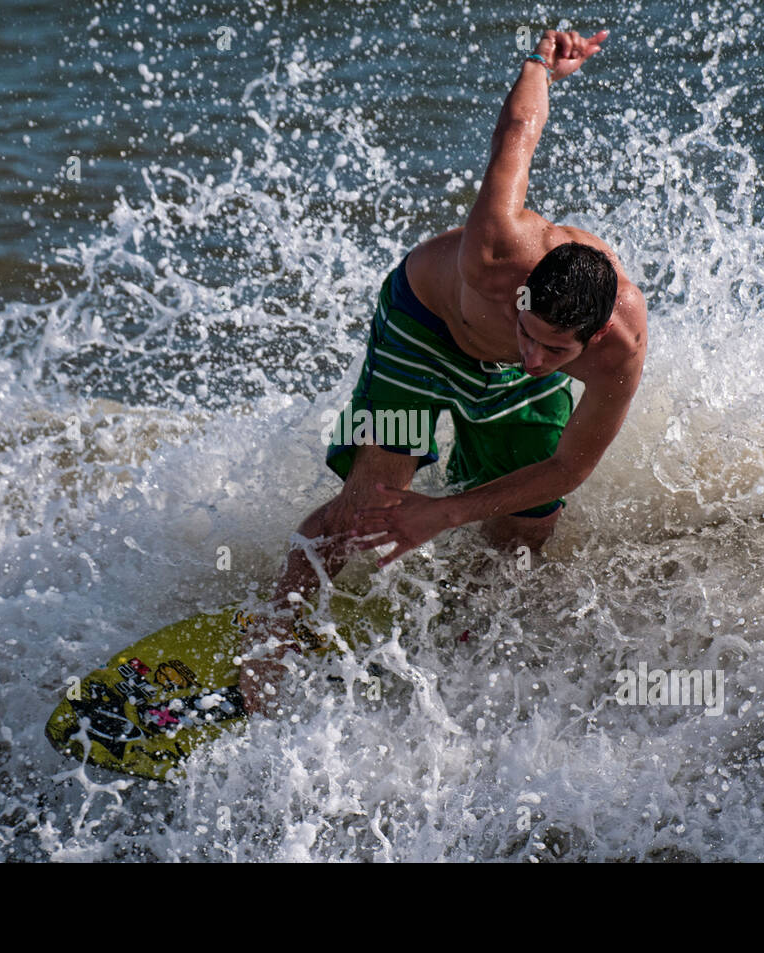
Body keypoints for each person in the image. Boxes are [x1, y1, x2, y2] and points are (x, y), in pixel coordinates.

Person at [240, 27, 647, 714]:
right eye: (527, 331)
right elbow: (518, 128)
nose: (532, 356)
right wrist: (542, 65)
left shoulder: (619, 351)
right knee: (366, 507)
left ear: (596, 335)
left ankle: (460, 639)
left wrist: (445, 514)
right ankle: (272, 643)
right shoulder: (495, 244)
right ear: (520, 294)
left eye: (555, 352)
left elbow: (568, 469)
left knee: (528, 522)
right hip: (420, 337)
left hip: (514, 393)